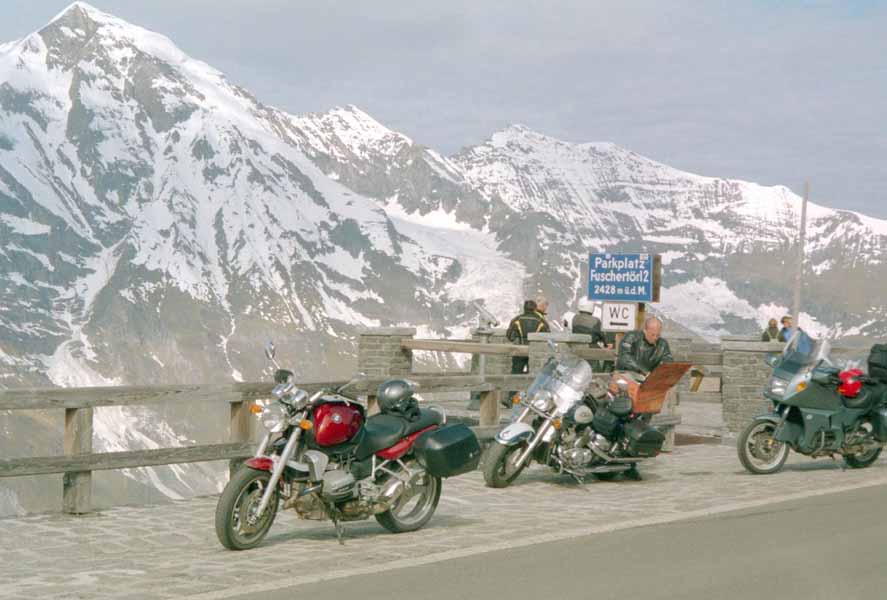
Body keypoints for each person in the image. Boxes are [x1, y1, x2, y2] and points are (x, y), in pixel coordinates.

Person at [504, 299, 550, 405]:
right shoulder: (541, 321)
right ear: (534, 309)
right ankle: (531, 400)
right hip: (535, 352)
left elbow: (510, 335)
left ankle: (511, 398)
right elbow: (547, 336)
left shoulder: (517, 319)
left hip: (519, 350)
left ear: (524, 308)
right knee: (534, 375)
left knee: (516, 372)